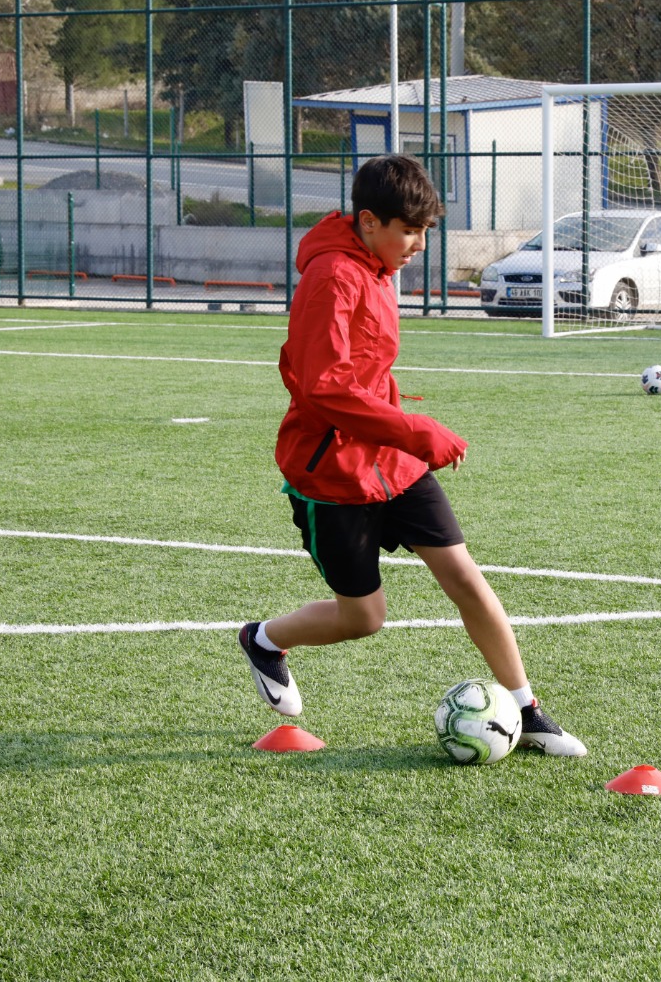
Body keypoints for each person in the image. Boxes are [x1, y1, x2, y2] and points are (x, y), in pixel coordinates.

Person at [239, 153, 587, 757]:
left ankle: (527, 710)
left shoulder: (372, 266)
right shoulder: (333, 277)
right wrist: (415, 429)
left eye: (425, 231)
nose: (419, 244)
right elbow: (326, 388)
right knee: (363, 618)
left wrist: (402, 438)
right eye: (410, 230)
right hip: (333, 472)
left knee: (465, 578)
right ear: (369, 222)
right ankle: (264, 640)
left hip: (393, 465)